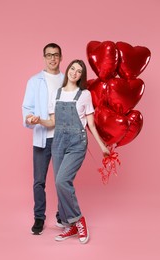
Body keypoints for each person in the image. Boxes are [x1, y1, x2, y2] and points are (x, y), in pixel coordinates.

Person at [31, 59, 110, 243]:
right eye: (73, 68)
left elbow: (90, 123)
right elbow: (52, 122)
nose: (75, 72)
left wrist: (102, 146)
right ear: (68, 70)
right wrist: (39, 121)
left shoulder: (85, 94)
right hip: (58, 142)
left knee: (62, 180)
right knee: (60, 185)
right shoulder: (56, 94)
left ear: (81, 76)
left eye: (79, 71)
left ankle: (79, 219)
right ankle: (70, 225)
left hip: (77, 143)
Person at [22, 43, 64, 235]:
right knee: (39, 181)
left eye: (56, 55)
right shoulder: (34, 81)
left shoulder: (67, 80)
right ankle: (39, 217)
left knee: (61, 180)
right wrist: (30, 118)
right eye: (49, 55)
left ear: (61, 58)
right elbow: (27, 108)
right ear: (44, 58)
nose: (52, 58)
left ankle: (62, 215)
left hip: (61, 138)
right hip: (41, 137)